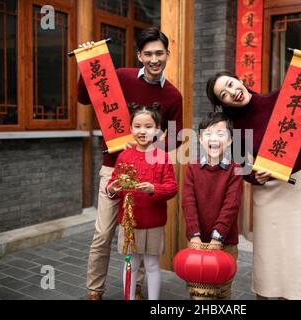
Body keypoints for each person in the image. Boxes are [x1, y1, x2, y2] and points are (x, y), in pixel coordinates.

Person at [206, 51, 301, 300]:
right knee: (267, 251)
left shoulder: (278, 99)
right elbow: (241, 166)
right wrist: (256, 177)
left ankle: (294, 295)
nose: (232, 92)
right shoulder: (235, 127)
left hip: (297, 185)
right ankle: (265, 295)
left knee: (296, 248)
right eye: (224, 94)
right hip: (267, 192)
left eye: (231, 84)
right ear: (224, 103)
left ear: (239, 80)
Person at [77, 27, 183, 300]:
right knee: (103, 234)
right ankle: (94, 290)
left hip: (147, 173)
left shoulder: (173, 96)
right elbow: (84, 96)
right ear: (139, 55)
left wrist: (150, 149)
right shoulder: (121, 77)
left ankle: (135, 287)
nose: (154, 59)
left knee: (138, 232)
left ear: (168, 54)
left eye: (159, 53)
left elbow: (178, 137)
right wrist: (86, 63)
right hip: (113, 167)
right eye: (148, 53)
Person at [106, 103, 178, 300]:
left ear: (157, 130)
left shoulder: (162, 157)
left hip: (154, 222)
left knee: (153, 265)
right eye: (137, 126)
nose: (142, 131)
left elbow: (172, 188)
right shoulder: (124, 156)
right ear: (130, 129)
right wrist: (112, 189)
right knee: (131, 264)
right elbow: (113, 185)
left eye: (148, 126)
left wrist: (154, 189)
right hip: (130, 222)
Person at [182, 112, 243, 300]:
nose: (214, 138)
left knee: (222, 292)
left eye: (220, 133)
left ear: (231, 140)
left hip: (226, 243)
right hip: (197, 242)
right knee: (200, 292)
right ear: (200, 139)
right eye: (208, 134)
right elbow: (188, 203)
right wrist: (194, 235)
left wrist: (218, 238)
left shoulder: (235, 170)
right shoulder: (192, 169)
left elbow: (230, 206)